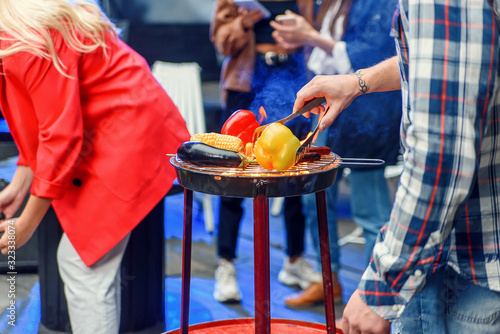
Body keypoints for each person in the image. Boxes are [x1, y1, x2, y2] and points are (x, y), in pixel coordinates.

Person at [293, 0, 500, 332]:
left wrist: (382, 287)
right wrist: (358, 82)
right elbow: (435, 59)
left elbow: (442, 153)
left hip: (471, 262)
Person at [0, 1, 190, 333]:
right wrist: (21, 182)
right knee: (85, 267)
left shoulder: (21, 43)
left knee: (83, 268)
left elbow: (60, 136)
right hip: (112, 130)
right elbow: (39, 119)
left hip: (127, 133)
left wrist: (26, 224)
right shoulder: (18, 35)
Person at [270, 0, 401, 308]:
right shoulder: (330, 3)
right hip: (329, 110)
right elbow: (326, 59)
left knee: (369, 209)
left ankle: (374, 298)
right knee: (314, 198)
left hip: (368, 114)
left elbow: (373, 59)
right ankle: (328, 280)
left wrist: (312, 36)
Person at [209, 0, 321, 304]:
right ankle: (226, 264)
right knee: (234, 171)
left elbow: (319, 34)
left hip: (292, 78)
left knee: (293, 170)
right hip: (247, 80)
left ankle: (294, 261)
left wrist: (304, 35)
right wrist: (247, 19)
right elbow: (222, 42)